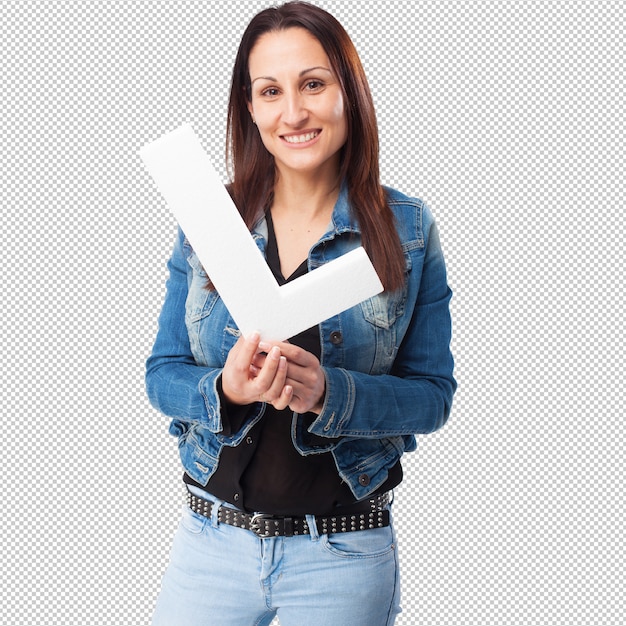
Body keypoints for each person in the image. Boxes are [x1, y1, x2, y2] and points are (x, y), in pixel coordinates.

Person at [146, 2, 455, 625]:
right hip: (212, 544)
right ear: (250, 106)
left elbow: (432, 396)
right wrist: (225, 389)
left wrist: (329, 393)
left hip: (342, 553)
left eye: (313, 84)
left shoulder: (408, 230)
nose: (294, 112)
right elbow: (160, 373)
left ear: (349, 90)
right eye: (270, 91)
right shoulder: (211, 223)